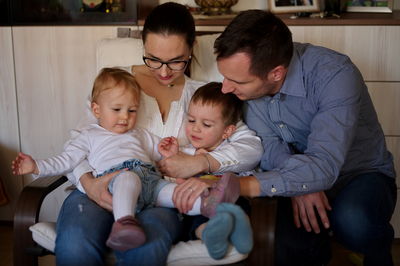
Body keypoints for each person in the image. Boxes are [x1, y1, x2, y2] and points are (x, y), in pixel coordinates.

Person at [54, 3, 263, 266]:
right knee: (75, 244)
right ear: (143, 48)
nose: (163, 72)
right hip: (98, 185)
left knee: (146, 247)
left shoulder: (202, 96)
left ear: (191, 50)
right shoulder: (116, 87)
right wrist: (87, 183)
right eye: (153, 59)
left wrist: (202, 162)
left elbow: (250, 146)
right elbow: (76, 143)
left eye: (176, 61)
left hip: (159, 199)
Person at [213, 10, 397, 266]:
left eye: (236, 81)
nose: (225, 88)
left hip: (360, 173)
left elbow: (324, 163)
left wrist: (242, 186)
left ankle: (378, 253)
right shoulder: (250, 88)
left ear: (276, 73)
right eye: (224, 76)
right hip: (293, 172)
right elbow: (267, 146)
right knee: (285, 247)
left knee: (355, 222)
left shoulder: (335, 74)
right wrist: (301, 184)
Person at [11, 68, 244, 252]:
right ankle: (124, 223)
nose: (125, 117)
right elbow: (67, 160)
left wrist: (193, 155)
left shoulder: (139, 134)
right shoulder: (88, 136)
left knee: (174, 192)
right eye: (117, 109)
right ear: (96, 109)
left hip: (150, 182)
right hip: (116, 181)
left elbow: (166, 151)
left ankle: (209, 205)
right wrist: (37, 166)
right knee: (128, 178)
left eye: (132, 111)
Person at [158, 81, 254, 259]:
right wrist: (170, 156)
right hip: (197, 207)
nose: (195, 128)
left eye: (206, 124)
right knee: (192, 217)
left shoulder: (231, 153)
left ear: (227, 131)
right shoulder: (184, 153)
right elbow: (169, 176)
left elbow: (246, 174)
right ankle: (210, 233)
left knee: (239, 201)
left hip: (228, 201)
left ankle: (240, 228)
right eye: (192, 120)